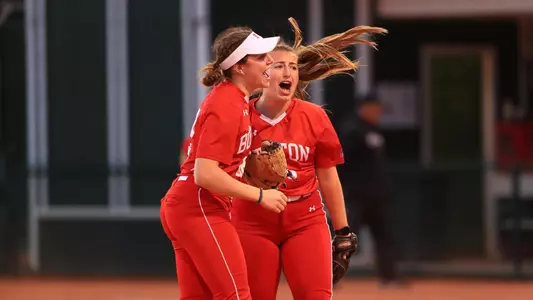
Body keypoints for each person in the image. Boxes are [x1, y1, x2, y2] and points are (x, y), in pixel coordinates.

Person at [231, 18, 387, 300]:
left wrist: (342, 231)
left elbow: (328, 176)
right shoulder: (240, 116)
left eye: (292, 67)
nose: (287, 71)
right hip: (252, 219)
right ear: (263, 74)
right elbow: (219, 171)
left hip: (305, 220)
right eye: (278, 65)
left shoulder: (314, 117)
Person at [160, 26, 289, 300]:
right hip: (200, 207)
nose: (269, 61)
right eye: (260, 57)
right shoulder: (227, 103)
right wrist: (259, 195)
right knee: (237, 295)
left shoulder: (235, 99)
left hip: (188, 206)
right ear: (240, 66)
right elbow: (204, 174)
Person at [338, 93, 403, 287]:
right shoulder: (351, 128)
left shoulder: (375, 130)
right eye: (374, 108)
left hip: (377, 195)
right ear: (364, 108)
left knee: (384, 237)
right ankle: (330, 276)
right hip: (357, 194)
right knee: (346, 238)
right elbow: (343, 158)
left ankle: (389, 277)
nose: (378, 112)